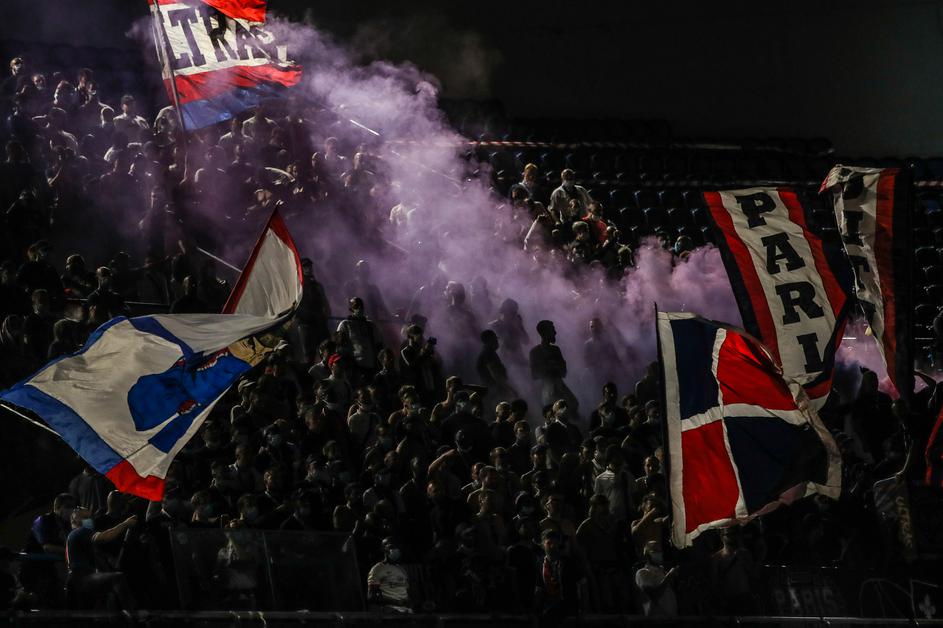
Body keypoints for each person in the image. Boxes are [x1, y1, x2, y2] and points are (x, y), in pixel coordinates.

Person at [64, 507, 137, 610]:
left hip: (77, 580)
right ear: (75, 519)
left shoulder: (77, 536)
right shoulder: (80, 531)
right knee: (118, 578)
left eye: (90, 518)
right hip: (81, 579)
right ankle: (134, 614)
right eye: (86, 518)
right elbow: (105, 537)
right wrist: (125, 524)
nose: (89, 521)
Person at [529, 320, 578, 414]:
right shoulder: (535, 352)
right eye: (552, 330)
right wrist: (550, 367)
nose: (555, 333)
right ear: (545, 332)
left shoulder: (555, 349)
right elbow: (534, 375)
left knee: (573, 406)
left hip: (559, 385)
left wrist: (556, 367)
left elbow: (564, 371)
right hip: (547, 389)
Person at [534, 528, 585, 618]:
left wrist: (584, 608)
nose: (552, 546)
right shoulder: (540, 564)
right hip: (548, 606)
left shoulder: (569, 562)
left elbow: (582, 584)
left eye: (555, 543)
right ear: (542, 545)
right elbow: (539, 589)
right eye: (549, 543)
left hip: (569, 606)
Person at [367, 537, 412, 613]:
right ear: (385, 549)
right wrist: (395, 602)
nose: (397, 550)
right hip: (390, 611)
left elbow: (407, 592)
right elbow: (371, 597)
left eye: (398, 547)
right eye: (393, 547)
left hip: (406, 611)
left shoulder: (401, 570)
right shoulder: (378, 569)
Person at [634, 541, 678, 617]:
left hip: (671, 617)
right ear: (647, 555)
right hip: (656, 618)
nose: (659, 554)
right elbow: (654, 595)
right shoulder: (642, 573)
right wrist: (669, 577)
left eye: (660, 551)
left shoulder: (663, 572)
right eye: (655, 551)